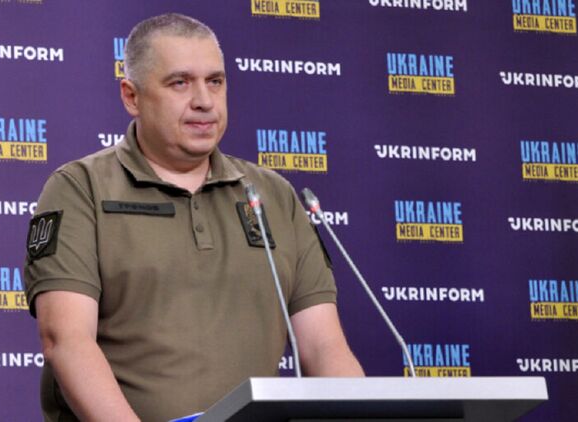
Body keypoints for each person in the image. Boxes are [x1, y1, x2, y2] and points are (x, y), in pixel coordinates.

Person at [24, 13, 364, 422]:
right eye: (180, 83)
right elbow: (67, 342)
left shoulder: (273, 196)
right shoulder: (81, 188)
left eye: (215, 81)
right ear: (131, 97)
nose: (204, 100)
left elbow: (324, 347)